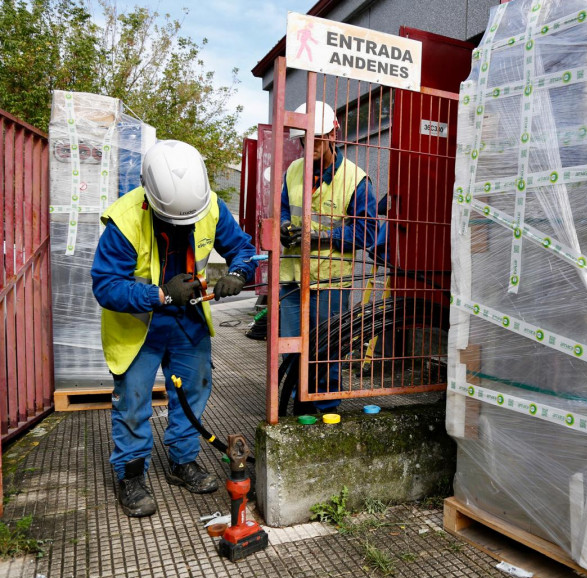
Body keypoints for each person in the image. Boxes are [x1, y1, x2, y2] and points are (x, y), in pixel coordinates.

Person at [91, 140, 257, 518]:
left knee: (191, 394)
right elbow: (105, 285)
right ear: (150, 196)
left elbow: (244, 249)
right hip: (140, 326)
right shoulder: (126, 219)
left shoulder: (209, 204)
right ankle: (131, 475)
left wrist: (237, 272)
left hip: (188, 322)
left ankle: (182, 462)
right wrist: (161, 294)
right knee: (134, 403)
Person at [279, 101, 377, 413]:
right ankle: (301, 405)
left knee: (327, 349)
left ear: (334, 134)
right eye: (306, 140)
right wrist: (284, 227)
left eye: (318, 138)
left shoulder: (356, 180)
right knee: (293, 349)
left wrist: (318, 236)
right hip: (292, 278)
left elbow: (367, 235)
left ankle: (328, 407)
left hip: (331, 282)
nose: (312, 146)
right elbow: (283, 209)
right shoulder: (293, 171)